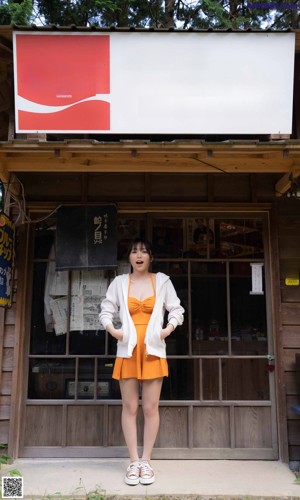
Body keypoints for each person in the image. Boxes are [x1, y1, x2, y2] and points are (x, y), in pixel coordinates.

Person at [99, 237, 184, 486]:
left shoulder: (162, 280)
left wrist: (166, 330)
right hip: (127, 350)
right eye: (135, 252)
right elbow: (106, 310)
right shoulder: (119, 282)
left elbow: (177, 309)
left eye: (144, 252)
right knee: (129, 407)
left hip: (153, 349)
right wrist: (115, 332)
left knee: (150, 408)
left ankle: (146, 461)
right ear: (129, 258)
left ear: (150, 257)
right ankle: (133, 461)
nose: (139, 256)